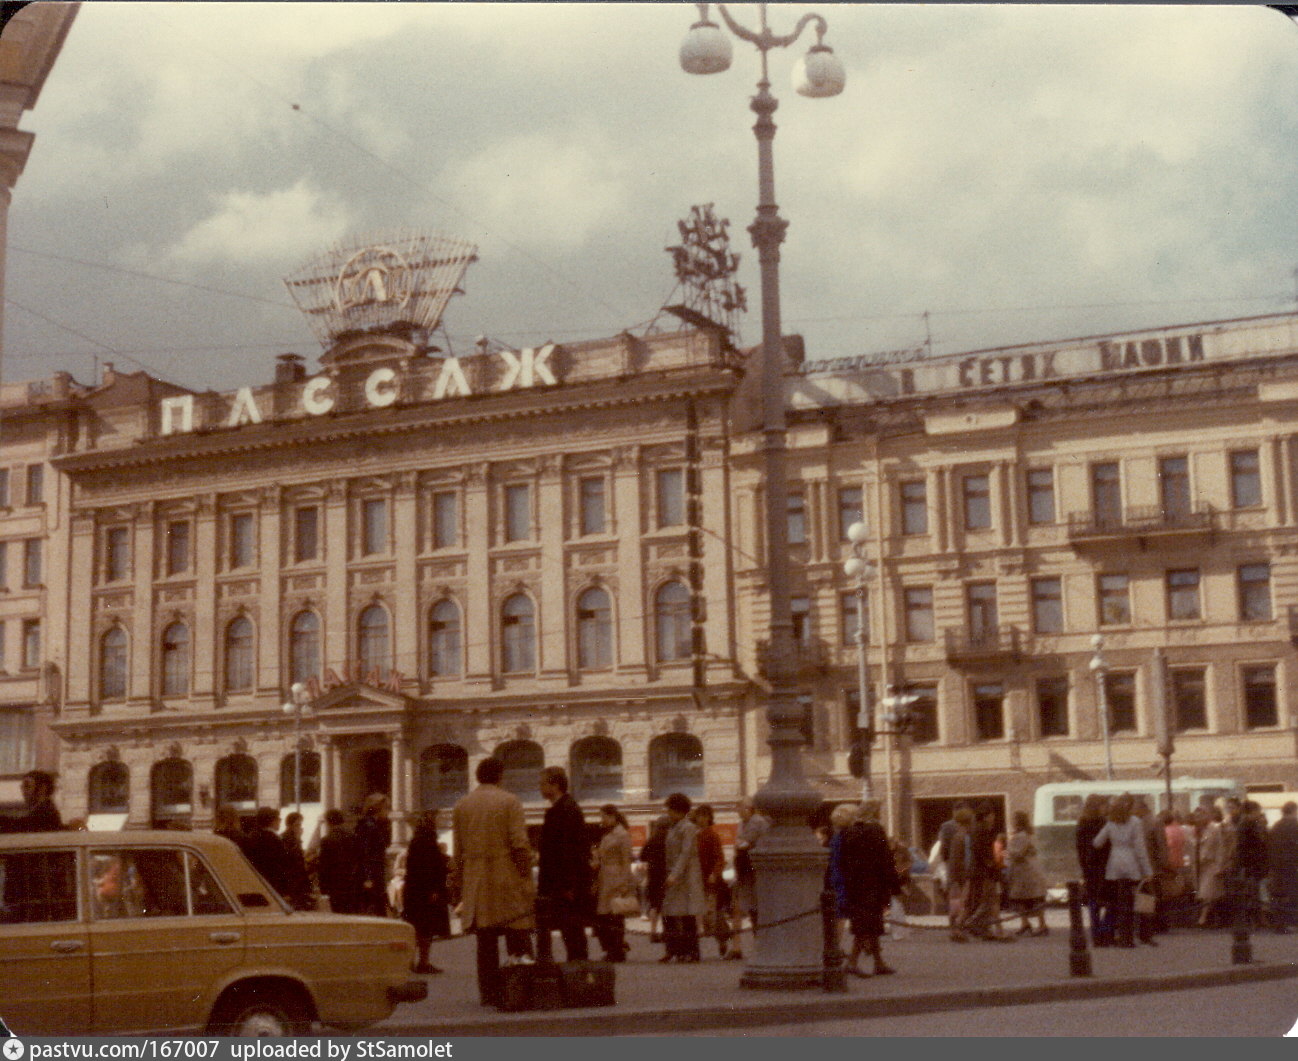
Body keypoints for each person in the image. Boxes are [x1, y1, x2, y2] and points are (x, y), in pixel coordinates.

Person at [453, 757, 536, 1006]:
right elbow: (519, 844)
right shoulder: (510, 801)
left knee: (485, 942)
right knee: (518, 936)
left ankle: (488, 993)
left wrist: (459, 887)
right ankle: (521, 989)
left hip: (476, 882)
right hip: (506, 878)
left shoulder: (462, 805)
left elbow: (457, 852)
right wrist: (525, 878)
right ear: (500, 775)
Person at [536, 765, 592, 962]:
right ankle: (577, 969)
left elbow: (571, 851)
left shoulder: (565, 810)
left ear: (556, 785)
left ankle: (579, 973)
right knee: (570, 931)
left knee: (572, 931)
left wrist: (568, 885)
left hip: (565, 885)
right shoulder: (562, 808)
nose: (540, 788)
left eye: (543, 784)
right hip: (561, 883)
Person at [840, 799, 900, 977]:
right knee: (867, 925)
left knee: (868, 924)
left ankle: (878, 962)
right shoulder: (876, 830)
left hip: (855, 885)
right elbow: (885, 860)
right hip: (873, 884)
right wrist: (895, 884)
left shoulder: (850, 831)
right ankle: (852, 961)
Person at [1093, 793, 1152, 948]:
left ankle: (1114, 934)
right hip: (1131, 863)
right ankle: (1130, 937)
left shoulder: (1110, 822)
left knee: (1116, 902)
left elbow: (1097, 842)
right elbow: (1140, 849)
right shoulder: (1135, 822)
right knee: (1132, 902)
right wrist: (1147, 870)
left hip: (1114, 864)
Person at [403, 810, 450, 974]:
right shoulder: (426, 840)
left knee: (417, 927)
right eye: (439, 817)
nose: (441, 820)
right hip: (424, 891)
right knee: (424, 929)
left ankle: (412, 962)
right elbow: (427, 867)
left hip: (415, 890)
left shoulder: (419, 839)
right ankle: (422, 962)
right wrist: (433, 888)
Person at [660, 792, 704, 963]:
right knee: (669, 913)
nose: (668, 812)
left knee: (687, 916)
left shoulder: (688, 827)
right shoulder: (673, 827)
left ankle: (691, 951)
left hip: (685, 876)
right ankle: (673, 949)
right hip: (674, 875)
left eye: (670, 809)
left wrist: (674, 874)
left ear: (678, 810)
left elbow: (685, 854)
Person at [728, 795, 769, 960]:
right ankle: (754, 943)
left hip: (755, 870)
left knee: (756, 907)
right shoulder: (742, 823)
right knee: (750, 908)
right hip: (745, 869)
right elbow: (740, 843)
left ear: (749, 808)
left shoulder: (758, 822)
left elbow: (745, 842)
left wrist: (742, 844)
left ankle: (761, 943)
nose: (738, 812)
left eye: (740, 808)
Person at [592, 804, 634, 962]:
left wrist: (624, 883)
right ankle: (611, 948)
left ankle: (616, 949)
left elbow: (626, 860)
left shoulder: (622, 835)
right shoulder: (607, 835)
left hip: (616, 878)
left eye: (603, 816)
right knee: (604, 916)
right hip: (605, 878)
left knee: (614, 916)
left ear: (612, 817)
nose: (601, 820)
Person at [965, 802, 1011, 941]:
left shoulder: (977, 829)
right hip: (984, 871)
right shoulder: (982, 830)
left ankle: (984, 929)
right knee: (988, 900)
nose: (993, 818)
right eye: (991, 815)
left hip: (982, 870)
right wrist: (992, 866)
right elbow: (983, 852)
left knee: (986, 900)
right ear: (985, 816)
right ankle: (972, 923)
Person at [693, 803, 732, 958]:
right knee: (705, 913)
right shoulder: (695, 834)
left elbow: (720, 859)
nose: (702, 819)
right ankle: (720, 938)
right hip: (698, 880)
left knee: (713, 914)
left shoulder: (712, 835)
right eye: (699, 816)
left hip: (711, 881)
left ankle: (722, 939)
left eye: (705, 816)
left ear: (709, 818)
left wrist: (714, 874)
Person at [1075, 794, 1111, 946]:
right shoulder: (1103, 823)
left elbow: (1080, 849)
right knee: (1111, 901)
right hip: (1103, 866)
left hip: (1089, 867)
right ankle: (1104, 931)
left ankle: (1096, 934)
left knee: (1093, 903)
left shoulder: (1081, 823)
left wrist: (1084, 866)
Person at [1006, 811, 1047, 936]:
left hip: (1026, 872)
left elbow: (1018, 853)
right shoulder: (1027, 834)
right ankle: (1026, 923)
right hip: (1025, 871)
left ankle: (1041, 924)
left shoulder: (1021, 836)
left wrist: (1008, 852)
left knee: (1031, 898)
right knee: (1023, 898)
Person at [354, 793, 393, 917]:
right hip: (372, 876)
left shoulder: (374, 826)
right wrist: (368, 877)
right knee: (375, 910)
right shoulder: (369, 827)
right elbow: (364, 853)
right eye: (387, 808)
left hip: (375, 874)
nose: (388, 812)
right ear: (378, 808)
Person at [316, 808, 361, 914]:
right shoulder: (353, 837)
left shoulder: (327, 840)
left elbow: (323, 866)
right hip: (352, 883)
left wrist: (323, 887)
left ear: (328, 822)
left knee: (338, 913)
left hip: (335, 885)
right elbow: (359, 859)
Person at [1235, 799, 1269, 930]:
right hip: (1252, 865)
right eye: (1258, 811)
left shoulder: (1245, 824)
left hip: (1250, 864)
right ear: (1252, 811)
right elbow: (1251, 846)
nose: (1260, 813)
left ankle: (1258, 919)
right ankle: (1256, 920)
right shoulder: (1249, 825)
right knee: (1253, 892)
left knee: (1254, 893)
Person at [242, 806, 292, 897]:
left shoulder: (252, 836)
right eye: (278, 819)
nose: (280, 821)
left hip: (257, 882)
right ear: (272, 821)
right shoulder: (274, 839)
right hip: (274, 885)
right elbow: (282, 865)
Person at [1193, 804, 1227, 928]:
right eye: (1196, 816)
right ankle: (1214, 918)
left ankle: (1203, 918)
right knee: (1210, 894)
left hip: (1211, 865)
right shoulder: (1196, 830)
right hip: (1198, 866)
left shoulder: (1214, 829)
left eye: (1200, 815)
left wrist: (1219, 866)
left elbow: (1220, 848)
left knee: (1206, 892)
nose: (1197, 818)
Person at [639, 814, 671, 944]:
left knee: (654, 906)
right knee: (666, 905)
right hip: (666, 875)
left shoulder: (652, 839)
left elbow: (642, 856)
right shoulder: (669, 839)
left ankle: (653, 932)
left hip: (653, 875)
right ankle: (666, 932)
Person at [944, 804, 974, 942]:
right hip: (961, 877)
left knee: (959, 905)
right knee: (960, 905)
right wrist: (954, 880)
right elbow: (955, 860)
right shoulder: (960, 837)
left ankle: (957, 930)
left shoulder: (965, 836)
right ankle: (956, 930)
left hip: (963, 876)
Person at [1268, 801, 1298, 933]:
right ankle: (1290, 922)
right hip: (1292, 864)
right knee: (1292, 893)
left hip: (1277, 864)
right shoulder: (1295, 824)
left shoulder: (1276, 825)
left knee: (1279, 894)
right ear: (1293, 810)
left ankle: (1279, 923)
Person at [280, 811, 314, 910]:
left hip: (296, 880)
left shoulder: (289, 837)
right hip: (295, 881)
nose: (300, 827)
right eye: (297, 824)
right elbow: (294, 859)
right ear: (290, 825)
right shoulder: (289, 838)